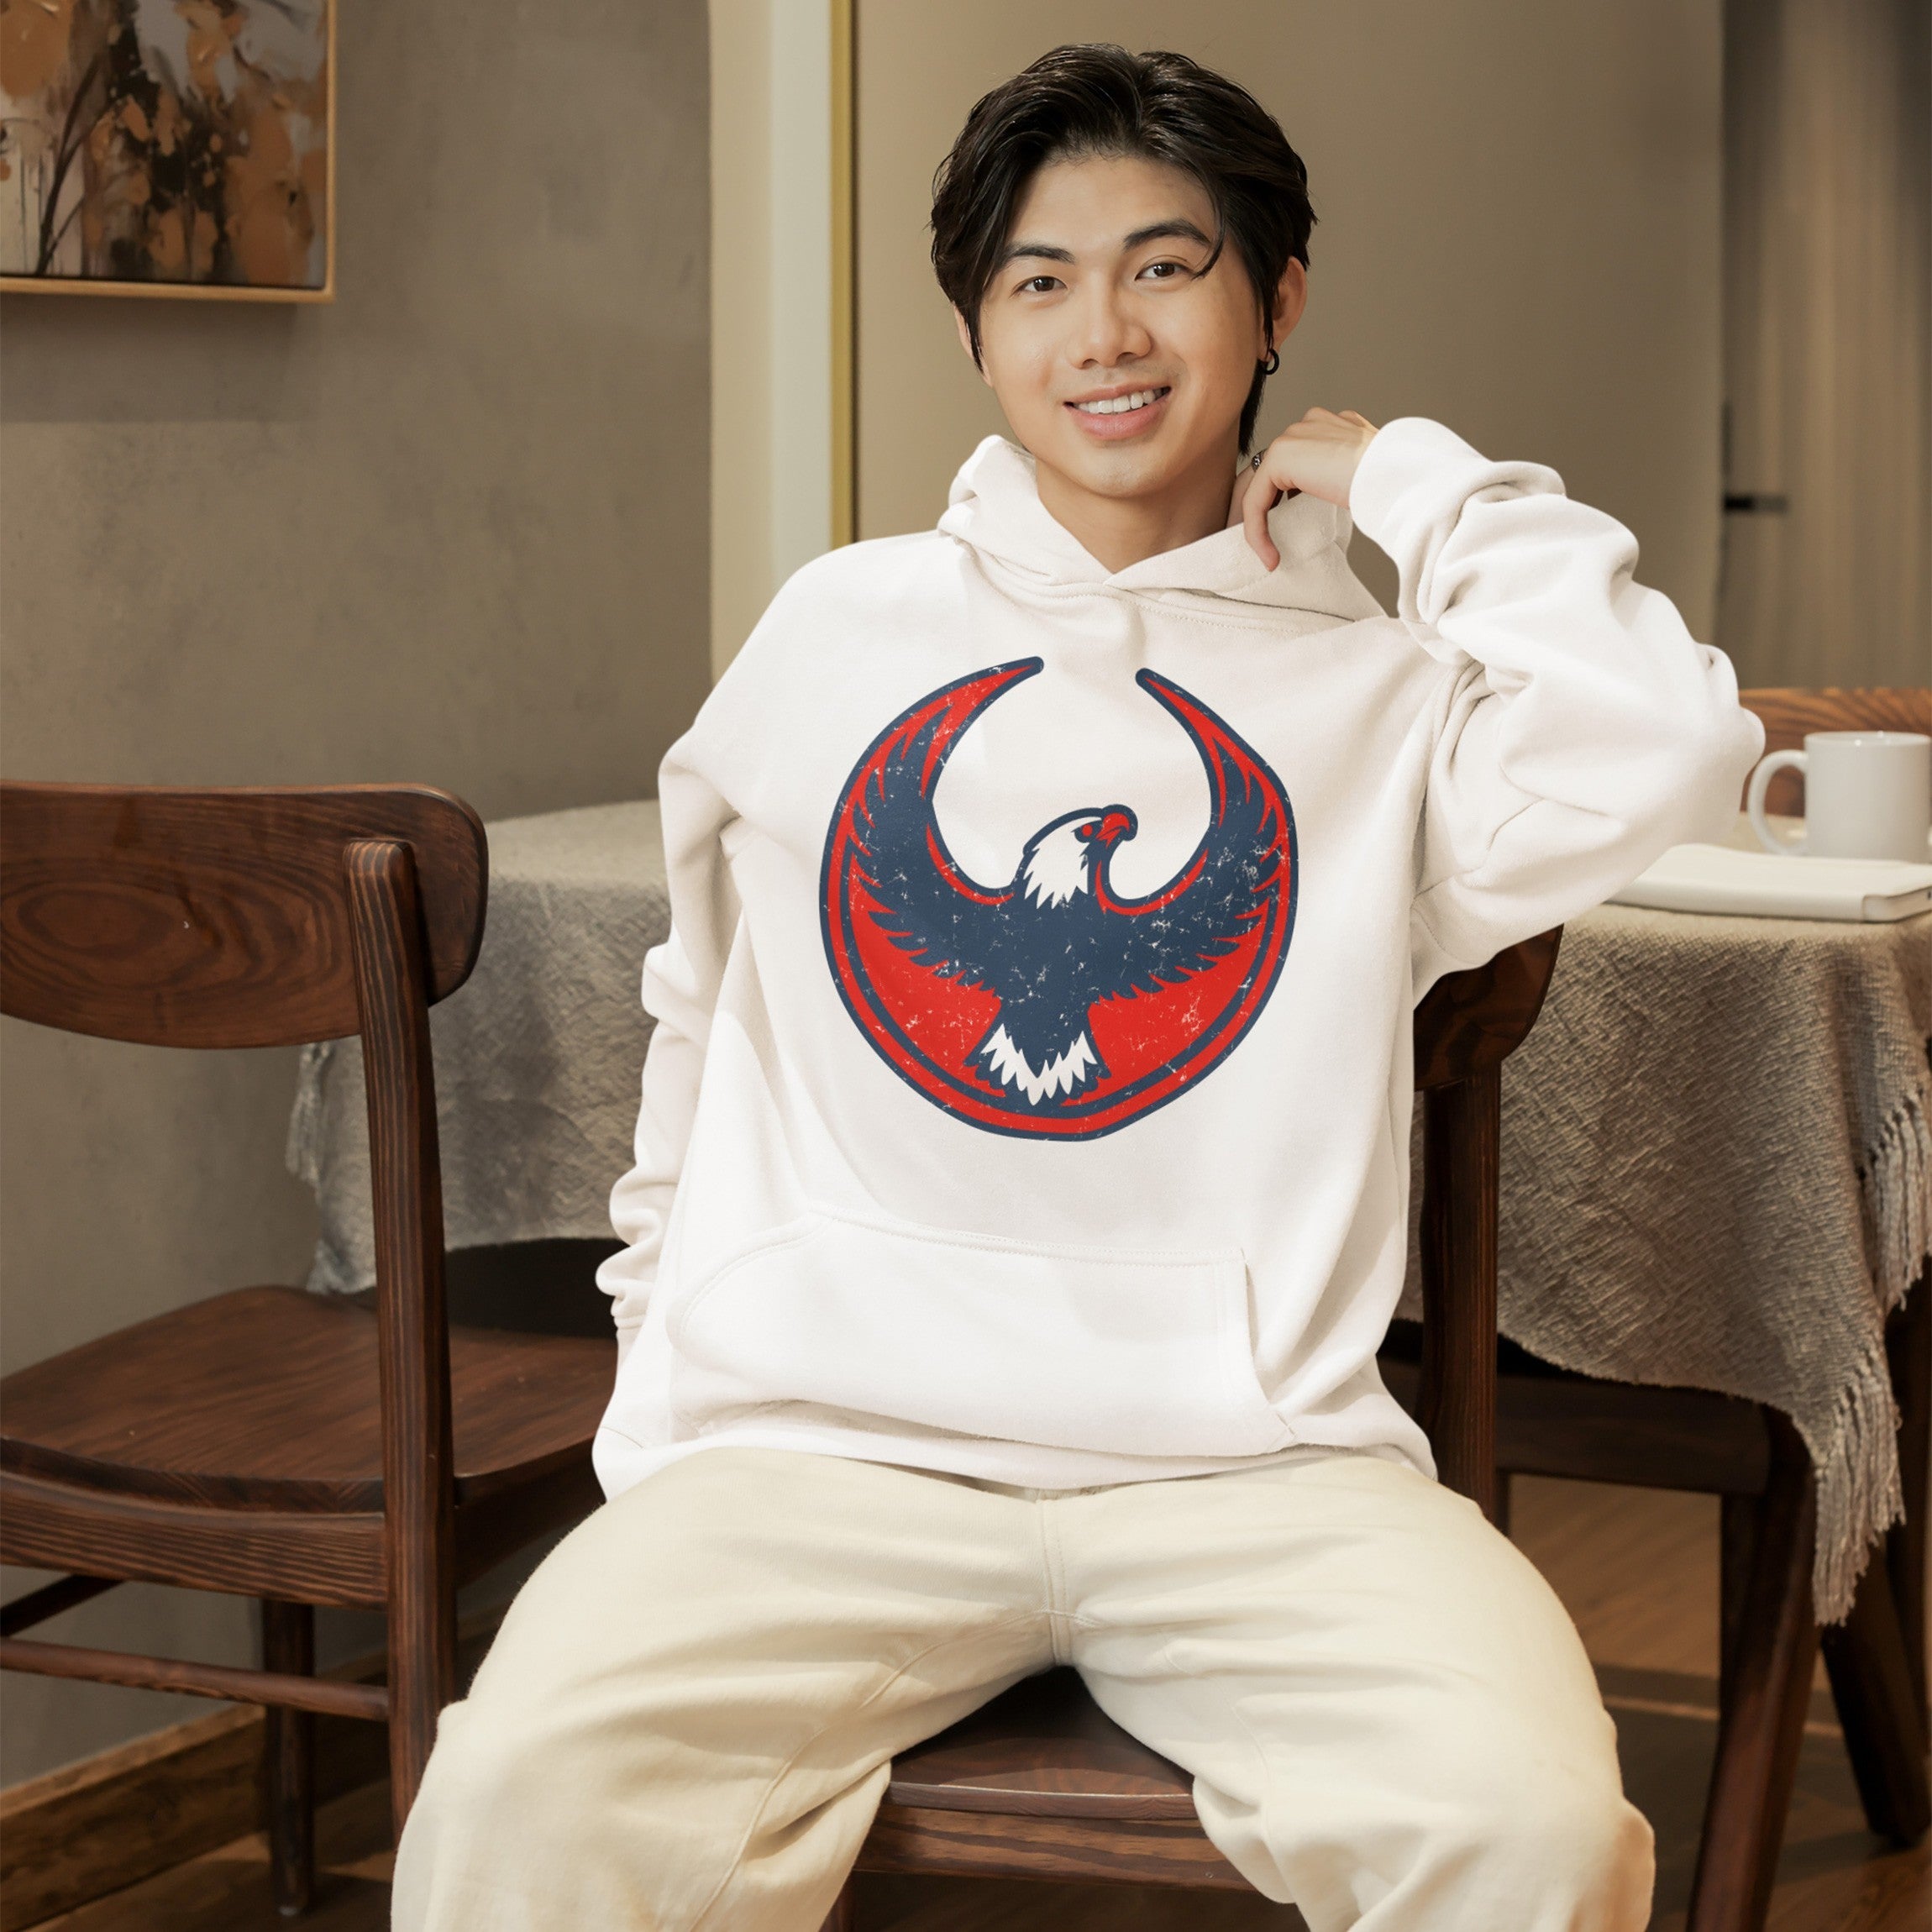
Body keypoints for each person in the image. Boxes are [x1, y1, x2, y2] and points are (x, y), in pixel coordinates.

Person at [393, 44, 1761, 1931]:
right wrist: (671, 1351)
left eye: (1165, 265)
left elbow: (1673, 740)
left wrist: (1408, 478)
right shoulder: (838, 631)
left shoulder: (1383, 704)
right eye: (1037, 279)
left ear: (1275, 300)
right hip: (818, 1459)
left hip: (1259, 1481)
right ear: (977, 331)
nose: (1101, 331)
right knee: (513, 1813)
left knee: (1529, 1830)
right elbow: (700, 1016)